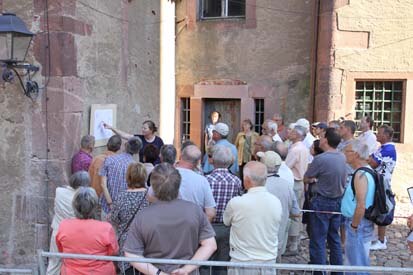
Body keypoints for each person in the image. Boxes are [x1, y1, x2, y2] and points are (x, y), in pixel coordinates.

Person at [124, 163, 217, 275]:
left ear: (152, 187)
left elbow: (131, 254)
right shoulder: (195, 210)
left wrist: (158, 273)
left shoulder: (143, 216)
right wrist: (186, 269)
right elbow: (210, 245)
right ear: (178, 185)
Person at [223, 161, 282, 275]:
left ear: (247, 180)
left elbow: (226, 222)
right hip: (268, 261)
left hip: (242, 261)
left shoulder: (236, 203)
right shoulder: (276, 202)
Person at [304, 128, 347, 273]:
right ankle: (337, 271)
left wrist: (314, 179)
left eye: (322, 137)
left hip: (322, 201)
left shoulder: (320, 159)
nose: (320, 139)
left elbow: (307, 177)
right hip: (337, 201)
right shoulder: (342, 157)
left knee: (318, 240)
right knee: (334, 238)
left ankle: (319, 271)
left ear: (326, 141)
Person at [56, 187, 119, 275]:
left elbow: (61, 249)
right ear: (94, 206)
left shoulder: (64, 226)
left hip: (71, 272)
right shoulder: (106, 228)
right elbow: (113, 251)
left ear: (75, 205)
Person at [201, 145, 242, 275]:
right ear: (230, 161)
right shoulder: (236, 181)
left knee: (205, 262)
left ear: (212, 160)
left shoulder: (205, 180)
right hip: (227, 227)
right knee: (223, 263)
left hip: (207, 226)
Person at [258, 151, 300, 261]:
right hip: (279, 234)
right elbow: (296, 213)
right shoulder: (287, 185)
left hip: (260, 234)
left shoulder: (259, 185)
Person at [341, 139, 376, 273]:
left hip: (358, 225)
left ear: (355, 154)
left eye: (347, 151)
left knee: (355, 266)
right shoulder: (366, 171)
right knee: (356, 262)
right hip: (361, 223)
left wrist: (354, 226)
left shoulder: (360, 174)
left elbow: (361, 205)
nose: (344, 154)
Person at [46, 171, 91, 275]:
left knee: (54, 262)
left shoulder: (59, 191)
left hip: (58, 230)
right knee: (75, 264)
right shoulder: (83, 198)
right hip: (75, 234)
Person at [109, 163, 149, 275]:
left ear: (128, 177)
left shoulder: (121, 196)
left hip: (126, 243)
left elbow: (114, 219)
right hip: (147, 241)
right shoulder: (150, 196)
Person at [369, 125, 397, 250]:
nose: (377, 134)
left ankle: (381, 239)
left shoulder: (388, 149)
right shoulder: (383, 148)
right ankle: (377, 237)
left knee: (382, 209)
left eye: (379, 133)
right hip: (378, 182)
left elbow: (373, 163)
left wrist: (367, 158)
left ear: (386, 135)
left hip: (382, 184)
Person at [99, 137, 142, 217]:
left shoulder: (109, 159)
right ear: (137, 151)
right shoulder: (135, 167)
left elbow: (103, 185)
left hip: (106, 207)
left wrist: (110, 204)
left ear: (125, 145)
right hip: (124, 210)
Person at [284, 125, 310, 255]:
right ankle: (295, 241)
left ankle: (293, 244)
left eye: (293, 131)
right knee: (297, 212)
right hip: (299, 182)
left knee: (293, 213)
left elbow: (286, 167)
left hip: (294, 182)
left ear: (298, 135)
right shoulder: (303, 148)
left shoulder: (295, 150)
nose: (290, 133)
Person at [176, 145, 217, 221]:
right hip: (193, 226)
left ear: (180, 156)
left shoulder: (166, 175)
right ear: (198, 162)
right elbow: (210, 213)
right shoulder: (202, 181)